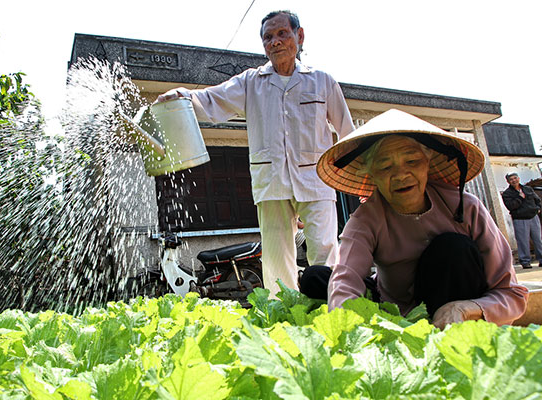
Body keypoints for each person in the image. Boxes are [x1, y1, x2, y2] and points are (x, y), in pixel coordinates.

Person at [156, 10, 354, 296]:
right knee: (276, 259)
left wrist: (359, 176)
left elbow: (347, 133)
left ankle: (332, 306)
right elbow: (213, 98)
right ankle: (283, 314)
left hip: (316, 180)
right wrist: (184, 95)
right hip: (271, 182)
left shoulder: (322, 81)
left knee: (325, 250)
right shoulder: (251, 81)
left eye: (281, 34)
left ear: (299, 36)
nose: (274, 42)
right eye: (267, 37)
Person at [300, 109, 528, 328]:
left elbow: (511, 294)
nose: (400, 175)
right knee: (315, 277)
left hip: (451, 300)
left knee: (452, 248)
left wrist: (467, 307)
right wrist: (346, 328)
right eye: (385, 166)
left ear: (427, 164)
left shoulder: (465, 207)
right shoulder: (365, 219)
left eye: (411, 161)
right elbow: (346, 280)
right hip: (393, 302)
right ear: (372, 176)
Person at [501, 172, 542, 269]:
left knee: (538, 240)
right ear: (508, 181)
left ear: (518, 178)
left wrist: (537, 208)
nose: (514, 180)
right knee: (523, 241)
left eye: (515, 178)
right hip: (520, 219)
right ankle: (525, 262)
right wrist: (520, 197)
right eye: (511, 179)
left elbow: (537, 200)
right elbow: (510, 206)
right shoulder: (507, 194)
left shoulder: (527, 189)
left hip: (533, 217)